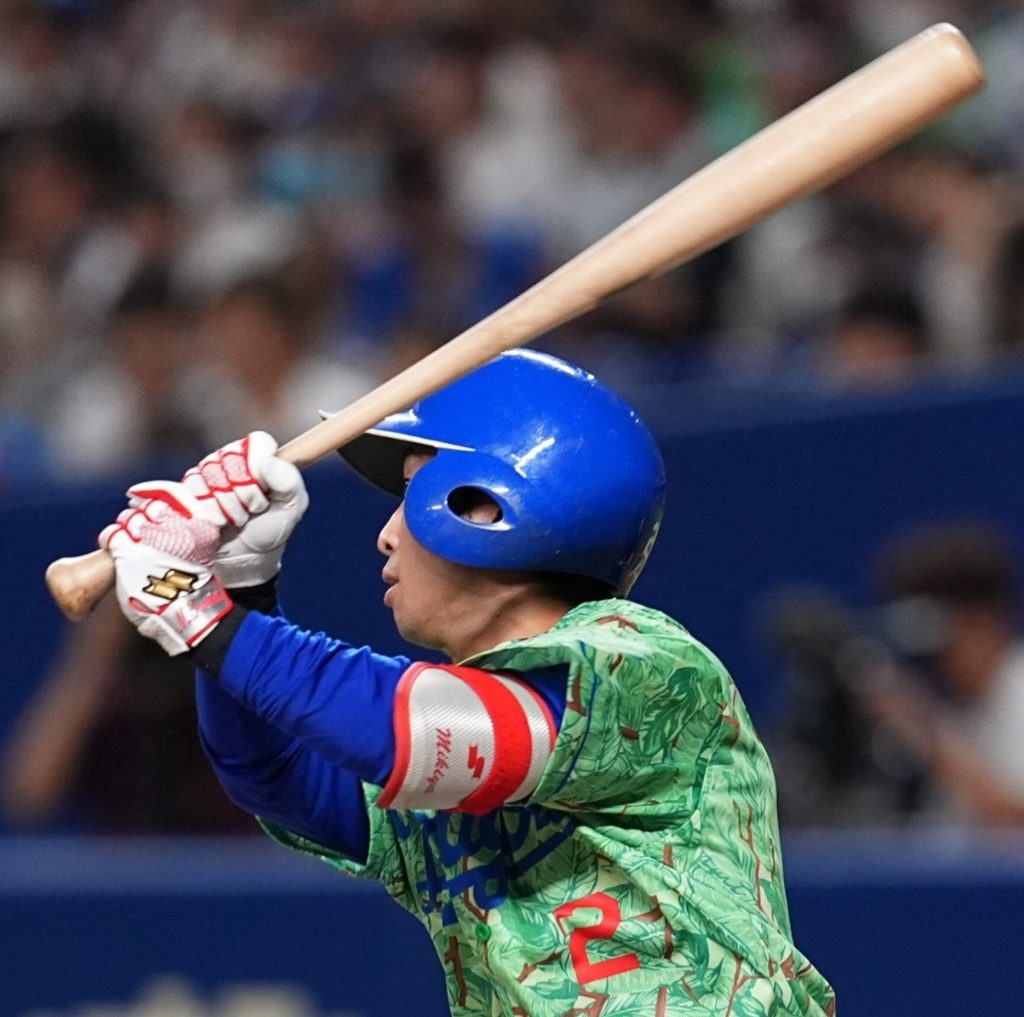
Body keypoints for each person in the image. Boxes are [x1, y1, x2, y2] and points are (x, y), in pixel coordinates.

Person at [96, 349, 835, 1016]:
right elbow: (275, 774)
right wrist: (241, 586)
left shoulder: (645, 661)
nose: (386, 533)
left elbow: (420, 731)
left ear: (486, 502)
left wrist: (198, 610)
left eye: (412, 489)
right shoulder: (445, 744)